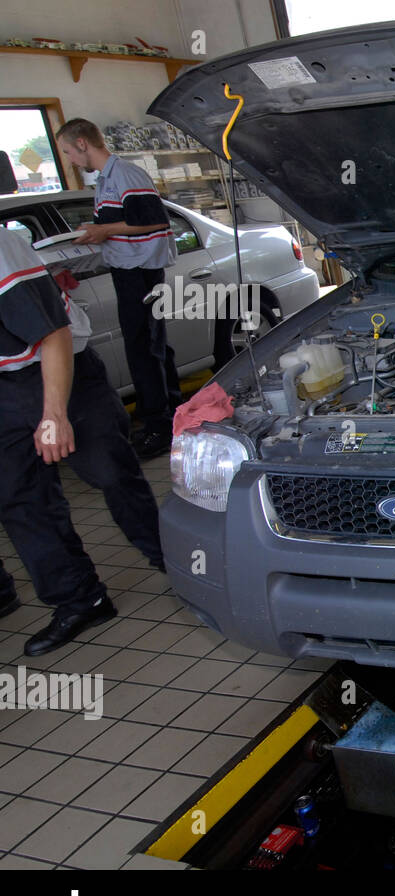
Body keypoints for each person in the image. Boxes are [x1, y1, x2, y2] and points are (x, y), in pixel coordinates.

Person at [0, 227, 165, 657]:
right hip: (4, 388)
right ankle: (80, 599)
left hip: (60, 370)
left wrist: (53, 415)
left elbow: (54, 334)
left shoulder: (0, 249)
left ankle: (181, 565)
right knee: (18, 497)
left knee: (111, 473)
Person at [55, 117, 179, 458]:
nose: (70, 160)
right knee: (152, 345)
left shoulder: (124, 174)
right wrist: (97, 230)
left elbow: (156, 220)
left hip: (140, 271)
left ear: (82, 143)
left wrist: (105, 231)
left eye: (68, 151)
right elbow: (125, 221)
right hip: (129, 268)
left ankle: (158, 427)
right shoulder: (105, 181)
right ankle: (169, 412)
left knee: (143, 349)